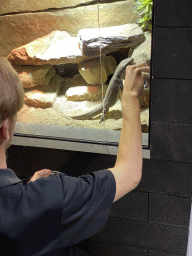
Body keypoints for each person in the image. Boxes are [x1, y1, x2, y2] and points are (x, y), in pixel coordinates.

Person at [0, 56, 150, 255]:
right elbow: (129, 173)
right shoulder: (48, 196)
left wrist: (25, 192)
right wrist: (130, 95)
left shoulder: (34, 199)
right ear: (5, 130)